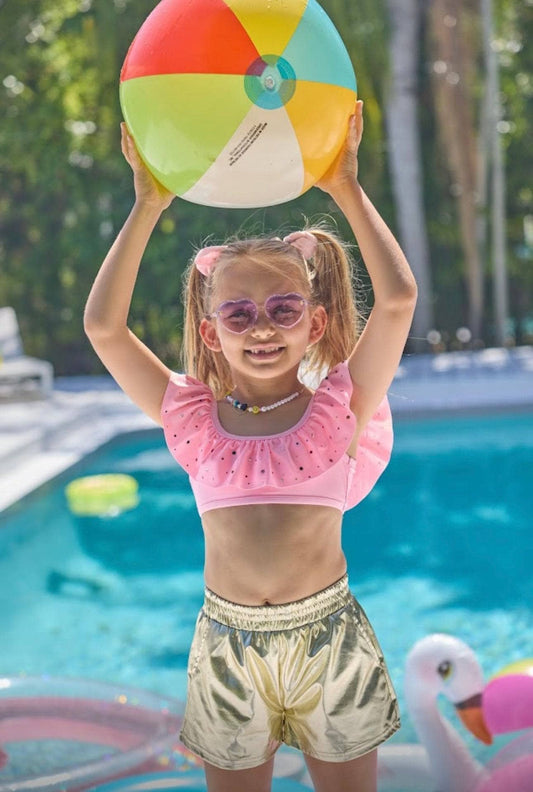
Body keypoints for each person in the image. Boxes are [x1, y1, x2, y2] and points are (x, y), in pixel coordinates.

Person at [84, 100, 417, 792]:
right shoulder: (192, 418)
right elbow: (104, 330)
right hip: (226, 645)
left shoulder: (338, 410)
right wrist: (147, 205)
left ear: (313, 320)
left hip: (329, 637)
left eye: (282, 309)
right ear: (211, 333)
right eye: (237, 312)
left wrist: (346, 189)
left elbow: (395, 302)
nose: (260, 327)